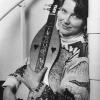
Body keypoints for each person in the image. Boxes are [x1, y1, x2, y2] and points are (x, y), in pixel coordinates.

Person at [3, 0, 89, 100]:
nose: (66, 20)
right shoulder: (52, 37)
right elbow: (30, 65)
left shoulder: (83, 56)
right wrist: (9, 87)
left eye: (76, 16)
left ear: (85, 21)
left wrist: (36, 86)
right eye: (64, 11)